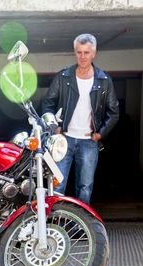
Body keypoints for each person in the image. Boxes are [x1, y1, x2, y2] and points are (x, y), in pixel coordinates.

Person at [41, 33, 119, 204]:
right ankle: (53, 225)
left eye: (86, 52)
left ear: (94, 53)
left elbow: (114, 112)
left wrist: (100, 134)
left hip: (89, 142)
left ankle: (80, 227)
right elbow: (47, 104)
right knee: (57, 185)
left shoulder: (104, 80)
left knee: (85, 187)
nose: (82, 57)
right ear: (75, 52)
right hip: (63, 140)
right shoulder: (63, 77)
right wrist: (54, 127)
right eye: (79, 52)